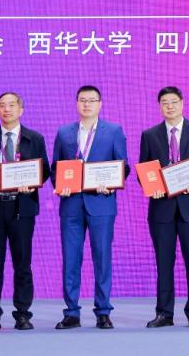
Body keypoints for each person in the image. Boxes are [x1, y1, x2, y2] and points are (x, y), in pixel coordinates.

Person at [0, 92, 50, 331]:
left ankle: (22, 314)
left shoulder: (35, 138)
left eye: (12, 105)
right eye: (2, 106)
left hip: (22, 208)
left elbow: (44, 169)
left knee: (22, 264)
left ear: (21, 110)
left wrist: (33, 183)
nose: (7, 109)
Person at [51, 85, 129, 330]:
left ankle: (103, 311)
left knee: (102, 258)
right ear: (76, 103)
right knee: (70, 259)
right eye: (83, 100)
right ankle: (71, 312)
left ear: (100, 104)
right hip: (71, 204)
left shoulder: (114, 131)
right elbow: (56, 168)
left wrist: (112, 184)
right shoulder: (64, 132)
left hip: (101, 203)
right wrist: (60, 186)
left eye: (92, 100)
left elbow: (123, 166)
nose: (87, 104)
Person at [141, 86, 189, 329]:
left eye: (173, 101)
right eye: (164, 102)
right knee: (164, 264)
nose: (169, 106)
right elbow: (145, 171)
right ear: (160, 106)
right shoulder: (149, 135)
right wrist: (152, 187)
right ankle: (164, 313)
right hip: (161, 209)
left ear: (182, 103)